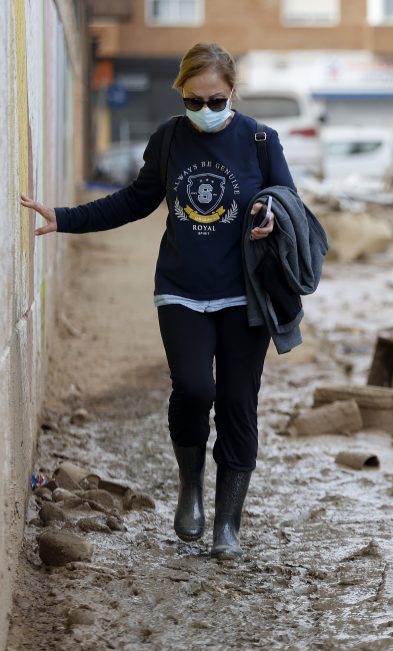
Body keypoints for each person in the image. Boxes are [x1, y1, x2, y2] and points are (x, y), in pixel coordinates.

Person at [20, 43, 296, 560]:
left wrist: (271, 215)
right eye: (194, 101)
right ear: (181, 93)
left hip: (245, 296)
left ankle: (227, 525)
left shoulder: (261, 140)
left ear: (232, 92)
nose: (205, 111)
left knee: (238, 403)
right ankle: (190, 484)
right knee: (193, 388)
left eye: (215, 101)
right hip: (181, 290)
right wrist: (65, 217)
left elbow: (287, 198)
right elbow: (135, 200)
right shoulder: (169, 139)